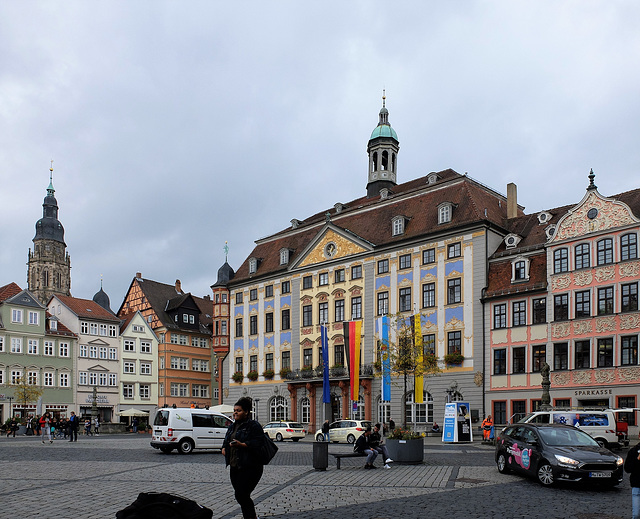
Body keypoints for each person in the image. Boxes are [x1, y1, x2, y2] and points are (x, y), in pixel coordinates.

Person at [222, 397, 266, 519]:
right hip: (235, 466)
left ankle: (250, 517)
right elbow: (226, 440)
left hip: (251, 466)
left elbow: (258, 442)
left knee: (242, 494)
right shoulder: (232, 426)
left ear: (246, 412)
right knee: (240, 495)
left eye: (239, 410)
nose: (235, 412)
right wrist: (224, 448)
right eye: (234, 410)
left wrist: (242, 445)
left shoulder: (253, 426)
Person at [625, 431, 640, 519]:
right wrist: (637, 460)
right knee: (636, 514)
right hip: (637, 485)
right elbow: (627, 468)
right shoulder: (633, 451)